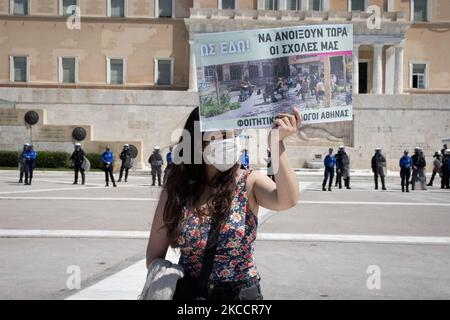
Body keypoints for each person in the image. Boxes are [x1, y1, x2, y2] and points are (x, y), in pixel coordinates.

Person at [146, 106, 301, 300]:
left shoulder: (249, 181)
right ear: (198, 143)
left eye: (232, 133)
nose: (229, 141)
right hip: (191, 294)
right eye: (220, 135)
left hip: (240, 295)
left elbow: (288, 200)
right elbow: (155, 254)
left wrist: (276, 144)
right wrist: (164, 286)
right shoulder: (177, 190)